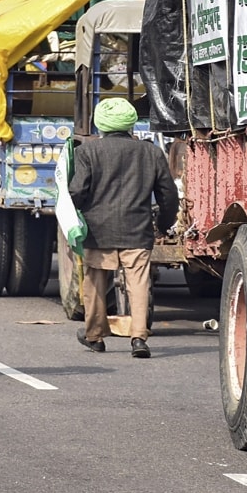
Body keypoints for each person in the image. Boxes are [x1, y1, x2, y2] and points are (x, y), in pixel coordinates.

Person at [68, 98, 179, 358]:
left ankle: (94, 336)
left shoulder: (87, 152)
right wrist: (164, 224)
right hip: (137, 229)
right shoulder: (151, 152)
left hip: (98, 230)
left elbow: (77, 192)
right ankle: (139, 337)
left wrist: (77, 218)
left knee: (94, 281)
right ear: (130, 124)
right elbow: (168, 195)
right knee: (139, 283)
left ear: (101, 124)